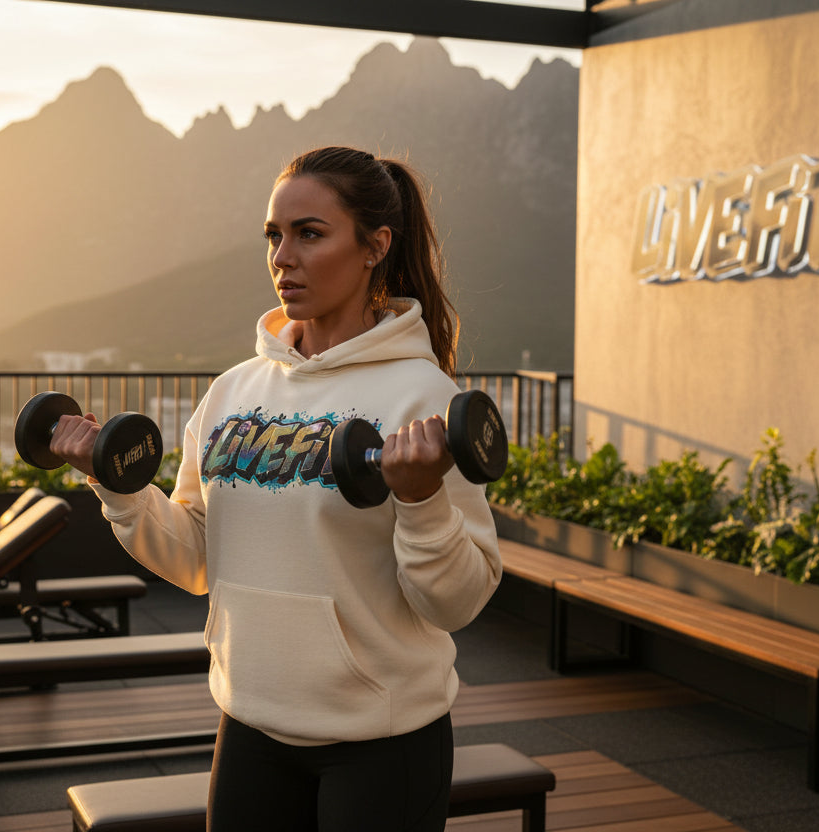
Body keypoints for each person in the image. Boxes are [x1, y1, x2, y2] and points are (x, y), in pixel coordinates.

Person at [49, 146, 502, 831]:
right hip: (251, 725)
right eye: (274, 235)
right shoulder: (235, 390)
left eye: (309, 234)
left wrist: (421, 499)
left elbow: (459, 601)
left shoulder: (424, 397)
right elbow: (197, 558)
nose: (282, 256)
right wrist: (116, 488)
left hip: (381, 742)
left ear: (375, 245)